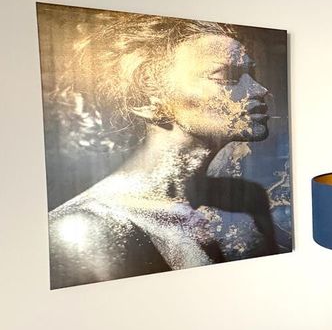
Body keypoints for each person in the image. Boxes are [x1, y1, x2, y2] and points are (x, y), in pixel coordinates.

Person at [47, 14, 279, 289]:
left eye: (251, 74)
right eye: (226, 76)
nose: (259, 90)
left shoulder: (246, 199)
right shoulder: (85, 227)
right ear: (147, 98)